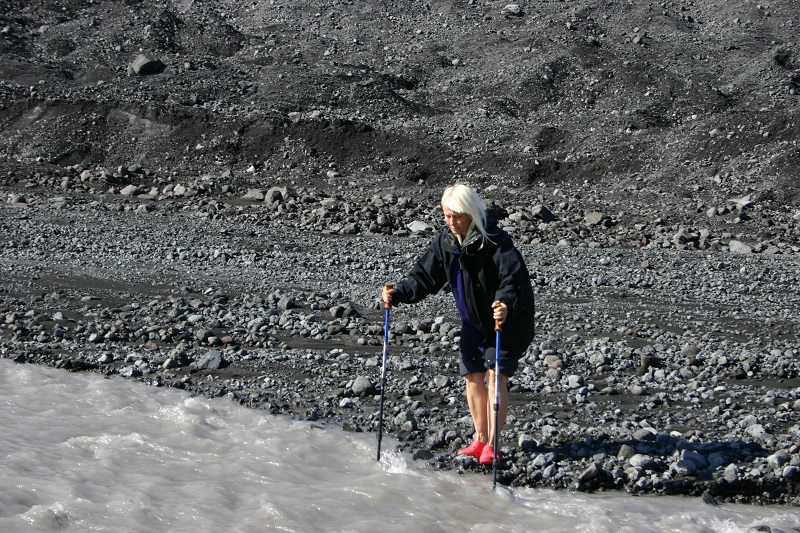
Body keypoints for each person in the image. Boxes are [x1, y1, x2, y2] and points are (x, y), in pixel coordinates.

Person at [382, 183, 535, 465]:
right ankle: (480, 439)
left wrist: (505, 303)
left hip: (507, 321)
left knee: (495, 376)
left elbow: (512, 280)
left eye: (457, 216)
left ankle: (493, 445)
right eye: (447, 215)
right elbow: (424, 276)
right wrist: (399, 292)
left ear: (471, 213)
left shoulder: (495, 241)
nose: (451, 222)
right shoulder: (446, 242)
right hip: (473, 322)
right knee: (472, 375)